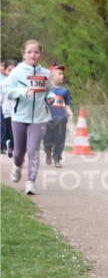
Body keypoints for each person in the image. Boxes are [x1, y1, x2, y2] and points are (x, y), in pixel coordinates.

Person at [6, 40, 56, 195]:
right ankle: (16, 166)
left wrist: (51, 97)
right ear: (23, 54)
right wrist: (22, 92)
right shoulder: (17, 72)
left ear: (40, 55)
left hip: (39, 118)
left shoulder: (46, 74)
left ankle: (31, 182)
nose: (33, 55)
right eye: (29, 52)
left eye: (36, 52)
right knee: (19, 151)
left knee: (33, 149)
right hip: (20, 117)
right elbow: (7, 91)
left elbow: (50, 91)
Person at [43, 63, 73, 168]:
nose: (62, 76)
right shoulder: (46, 90)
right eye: (59, 74)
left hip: (61, 119)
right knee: (47, 139)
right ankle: (47, 153)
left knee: (60, 140)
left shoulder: (64, 91)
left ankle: (57, 159)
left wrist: (70, 113)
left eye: (62, 74)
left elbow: (67, 104)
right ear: (51, 76)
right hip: (48, 119)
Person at [0, 59, 16, 158]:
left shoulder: (19, 83)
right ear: (5, 71)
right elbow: (1, 98)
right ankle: (9, 146)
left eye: (14, 70)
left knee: (16, 131)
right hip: (6, 111)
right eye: (9, 70)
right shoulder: (3, 84)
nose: (11, 73)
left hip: (18, 112)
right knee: (9, 131)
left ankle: (13, 148)